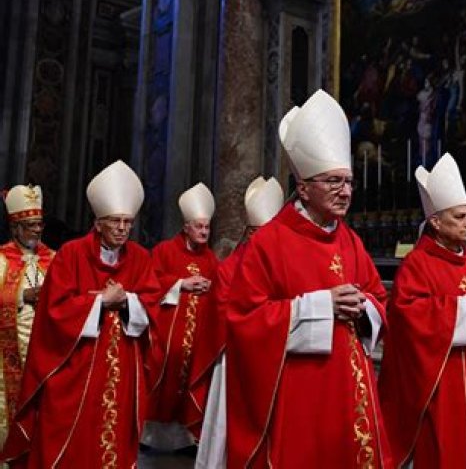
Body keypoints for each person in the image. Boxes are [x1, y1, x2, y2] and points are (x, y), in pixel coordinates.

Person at [225, 89, 392, 467]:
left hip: (353, 390)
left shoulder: (350, 240)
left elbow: (378, 298)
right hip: (301, 391)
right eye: (333, 182)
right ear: (303, 187)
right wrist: (321, 305)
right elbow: (244, 320)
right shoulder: (270, 242)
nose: (345, 192)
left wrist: (364, 306)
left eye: (348, 182)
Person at [1, 160, 162, 467]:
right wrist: (100, 301)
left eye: (128, 222)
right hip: (76, 366)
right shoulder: (71, 254)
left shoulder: (141, 258)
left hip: (122, 367)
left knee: (114, 437)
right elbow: (54, 311)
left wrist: (126, 301)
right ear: (98, 222)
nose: (122, 229)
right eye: (115, 221)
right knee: (72, 439)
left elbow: (152, 305)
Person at [379, 153, 466, 468]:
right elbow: (407, 318)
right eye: (459, 217)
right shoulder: (417, 264)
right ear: (436, 222)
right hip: (439, 385)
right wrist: (464, 307)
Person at [193, 176, 284, 469]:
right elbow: (221, 315)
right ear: (249, 233)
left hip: (276, 356)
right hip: (235, 360)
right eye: (259, 233)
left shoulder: (284, 263)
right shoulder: (230, 267)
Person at [142, 182, 218, 451]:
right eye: (199, 227)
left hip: (198, 336)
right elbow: (150, 283)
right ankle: (150, 437)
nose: (204, 232)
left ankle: (187, 438)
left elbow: (220, 289)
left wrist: (211, 287)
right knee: (163, 379)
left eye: (207, 227)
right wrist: (181, 284)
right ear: (186, 227)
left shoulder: (211, 259)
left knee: (193, 381)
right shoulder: (165, 251)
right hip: (167, 334)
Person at [0, 186, 54, 446]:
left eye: (39, 224)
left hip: (46, 351)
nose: (37, 230)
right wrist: (22, 296)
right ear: (15, 228)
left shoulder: (54, 259)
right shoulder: (1, 259)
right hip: (7, 357)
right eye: (30, 225)